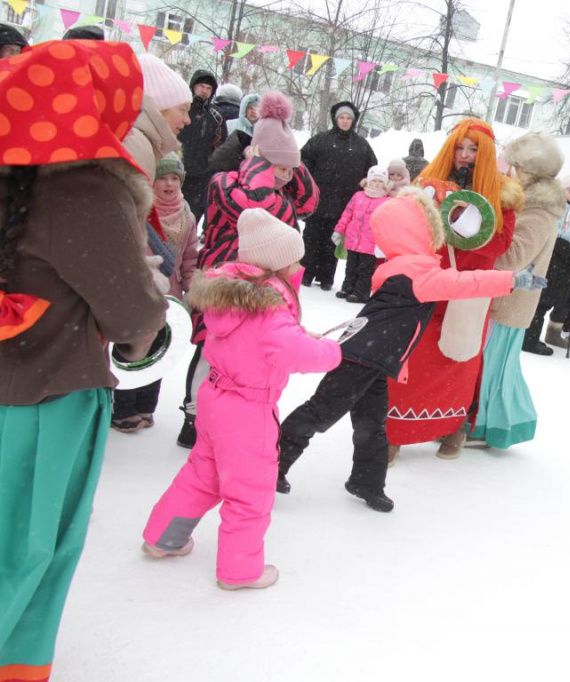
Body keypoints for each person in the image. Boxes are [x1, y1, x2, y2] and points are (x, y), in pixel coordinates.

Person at [0, 40, 166, 680]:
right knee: (32, 540)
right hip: (50, 393)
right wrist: (138, 340)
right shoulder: (84, 188)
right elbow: (133, 312)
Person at [277, 191, 545, 510]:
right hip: (364, 357)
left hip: (374, 358)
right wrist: (510, 279)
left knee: (373, 423)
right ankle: (271, 465)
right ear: (421, 232)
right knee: (319, 413)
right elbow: (465, 283)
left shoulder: (400, 266)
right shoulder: (418, 274)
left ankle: (366, 481)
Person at [142, 208, 342, 590]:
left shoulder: (238, 298)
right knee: (250, 491)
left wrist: (301, 336)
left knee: (203, 473)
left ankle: (163, 538)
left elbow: (272, 339)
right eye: (294, 259)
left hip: (217, 399)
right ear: (277, 264)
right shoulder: (269, 308)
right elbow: (289, 349)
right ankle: (240, 571)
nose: (299, 265)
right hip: (248, 411)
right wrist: (331, 352)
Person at [177, 91, 319, 449]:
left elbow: (310, 202)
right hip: (226, 286)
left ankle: (226, 420)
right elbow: (256, 203)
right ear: (259, 162)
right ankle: (193, 418)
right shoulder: (225, 185)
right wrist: (260, 161)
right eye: (281, 169)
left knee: (248, 359)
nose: (287, 178)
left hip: (263, 291)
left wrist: (289, 158)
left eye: (291, 170)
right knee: (211, 353)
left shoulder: (282, 194)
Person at [386, 118, 521, 460]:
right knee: (410, 359)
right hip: (428, 283)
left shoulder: (502, 196)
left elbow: (500, 244)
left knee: (457, 360)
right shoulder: (428, 185)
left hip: (470, 290)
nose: (464, 155)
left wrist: (463, 226)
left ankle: (453, 428)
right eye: (460, 148)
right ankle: (395, 432)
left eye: (473, 149)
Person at [469, 132, 563, 448]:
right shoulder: (526, 204)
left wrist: (476, 239)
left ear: (525, 171)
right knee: (494, 369)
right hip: (500, 299)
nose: (504, 173)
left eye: (510, 167)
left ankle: (483, 426)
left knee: (492, 371)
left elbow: (512, 257)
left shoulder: (537, 212)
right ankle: (488, 422)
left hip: (507, 304)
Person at [112, 153, 198, 432]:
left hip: (169, 297)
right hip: (138, 292)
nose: (169, 184)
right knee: (133, 348)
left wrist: (190, 289)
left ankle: (146, 406)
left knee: (159, 350)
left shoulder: (187, 215)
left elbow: (188, 257)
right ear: (151, 180)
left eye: (175, 178)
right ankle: (123, 410)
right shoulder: (139, 209)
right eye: (162, 177)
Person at [300, 101, 378, 290]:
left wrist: (365, 183)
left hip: (344, 205)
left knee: (333, 242)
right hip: (318, 201)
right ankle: (305, 274)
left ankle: (326, 278)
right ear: (335, 119)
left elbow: (373, 170)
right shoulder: (320, 140)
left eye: (348, 118)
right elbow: (303, 161)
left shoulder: (361, 146)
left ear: (353, 121)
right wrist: (308, 182)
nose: (344, 121)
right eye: (341, 117)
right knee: (311, 238)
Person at [523, 174, 570, 355]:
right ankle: (529, 340)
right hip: (553, 265)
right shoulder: (557, 209)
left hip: (563, 270)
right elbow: (554, 235)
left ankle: (531, 338)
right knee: (540, 304)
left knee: (545, 303)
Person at [333, 165, 390, 303]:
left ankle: (361, 293)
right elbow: (347, 214)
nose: (376, 184)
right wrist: (339, 230)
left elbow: (387, 224)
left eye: (380, 181)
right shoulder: (358, 196)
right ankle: (347, 288)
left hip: (371, 243)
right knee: (350, 266)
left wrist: (384, 243)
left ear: (385, 184)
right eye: (374, 180)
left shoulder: (386, 201)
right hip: (353, 240)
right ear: (368, 181)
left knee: (365, 270)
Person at [178, 68, 224, 220]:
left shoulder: (216, 117)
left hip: (200, 178)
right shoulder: (181, 108)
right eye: (201, 86)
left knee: (191, 218)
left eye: (209, 88)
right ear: (193, 86)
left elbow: (221, 147)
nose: (204, 91)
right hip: (176, 171)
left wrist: (211, 170)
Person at [209, 92, 261, 174]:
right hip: (227, 169)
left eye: (256, 108)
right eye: (250, 108)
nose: (253, 111)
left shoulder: (261, 131)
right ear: (244, 109)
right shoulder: (230, 124)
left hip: (250, 171)